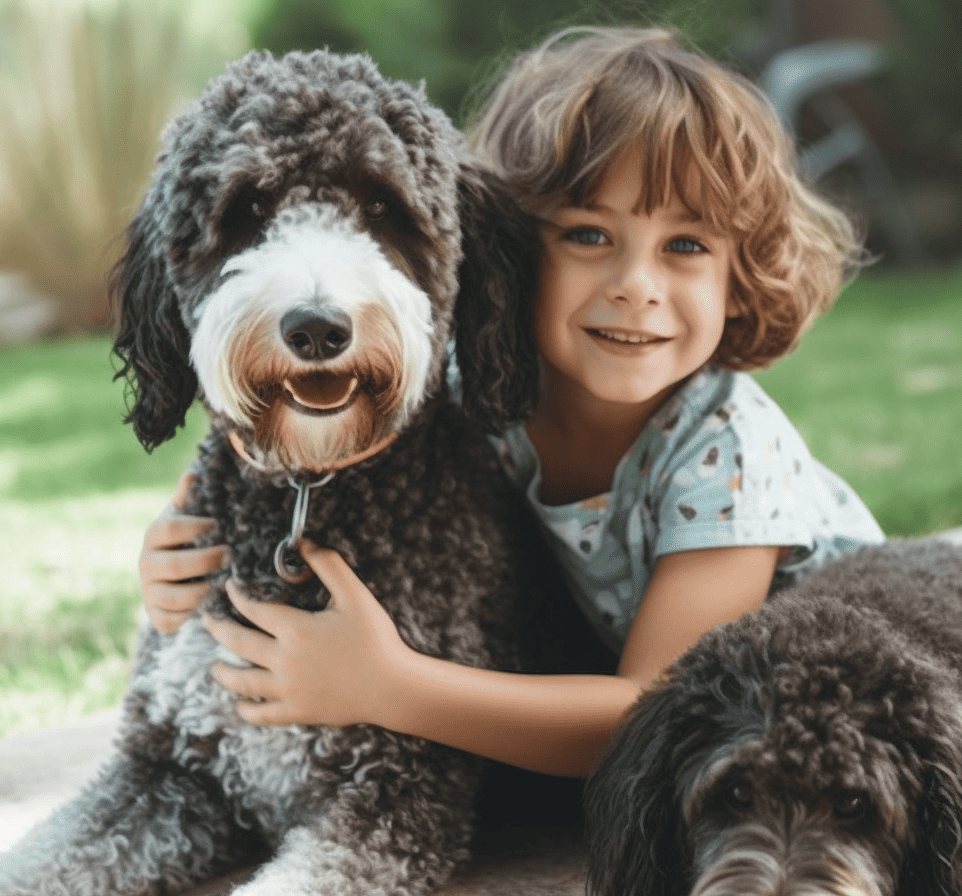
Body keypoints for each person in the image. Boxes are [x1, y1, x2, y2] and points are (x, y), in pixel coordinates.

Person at [137, 26, 884, 779]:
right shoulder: (475, 383)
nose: (636, 284)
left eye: (685, 246)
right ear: (502, 245)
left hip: (833, 724)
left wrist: (388, 688)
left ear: (740, 274)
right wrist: (174, 551)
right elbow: (292, 448)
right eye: (590, 234)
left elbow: (659, 717)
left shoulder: (726, 452)